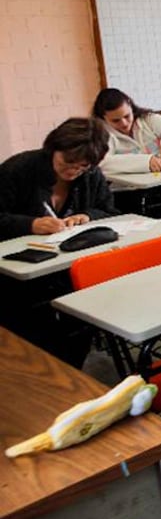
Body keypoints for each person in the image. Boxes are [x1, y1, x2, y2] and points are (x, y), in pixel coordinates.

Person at [0, 117, 118, 367]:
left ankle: (69, 366)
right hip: (19, 274)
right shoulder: (18, 170)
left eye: (82, 166)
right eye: (68, 162)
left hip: (68, 266)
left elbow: (108, 209)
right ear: (54, 148)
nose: (73, 171)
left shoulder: (90, 175)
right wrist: (29, 224)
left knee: (85, 314)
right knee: (36, 328)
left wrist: (87, 216)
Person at [92, 88, 161, 174]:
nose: (124, 123)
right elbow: (103, 162)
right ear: (103, 118)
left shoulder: (147, 119)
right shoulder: (101, 134)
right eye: (115, 120)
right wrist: (146, 162)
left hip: (160, 178)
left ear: (131, 107)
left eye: (127, 116)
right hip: (126, 188)